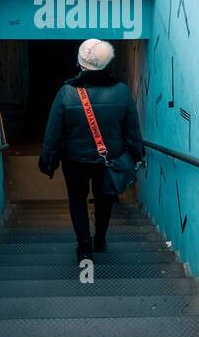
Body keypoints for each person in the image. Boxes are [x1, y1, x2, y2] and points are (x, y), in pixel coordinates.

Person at [39, 39, 145, 261]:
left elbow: (53, 132)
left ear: (80, 63)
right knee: (104, 199)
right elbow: (132, 130)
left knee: (77, 200)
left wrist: (49, 159)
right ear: (106, 63)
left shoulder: (66, 93)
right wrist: (136, 154)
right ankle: (100, 240)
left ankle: (84, 246)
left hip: (75, 160)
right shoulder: (122, 92)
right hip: (110, 160)